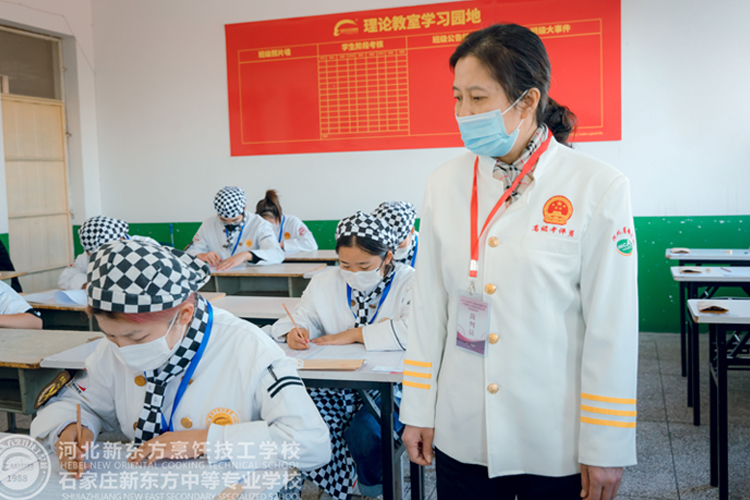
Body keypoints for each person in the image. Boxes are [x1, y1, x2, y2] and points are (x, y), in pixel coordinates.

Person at [400, 24, 638, 500]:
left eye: (478, 98)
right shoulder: (443, 183)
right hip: (463, 428)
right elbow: (428, 306)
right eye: (457, 98)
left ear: (527, 101)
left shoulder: (597, 186)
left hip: (553, 435)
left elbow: (611, 326)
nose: (463, 113)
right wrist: (418, 409)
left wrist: (606, 442)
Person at [31, 240, 330, 481]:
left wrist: (204, 441)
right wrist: (69, 428)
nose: (122, 350)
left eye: (137, 338)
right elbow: (80, 402)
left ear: (184, 315)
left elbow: (310, 443)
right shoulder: (114, 348)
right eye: (110, 336)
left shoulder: (249, 348)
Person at [271, 211, 414, 500]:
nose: (354, 273)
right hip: (335, 382)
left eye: (364, 265)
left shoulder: (410, 281)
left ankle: (374, 489)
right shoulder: (325, 281)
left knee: (366, 431)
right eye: (345, 265)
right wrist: (295, 331)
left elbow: (416, 329)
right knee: (300, 422)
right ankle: (339, 482)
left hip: (395, 386)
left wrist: (354, 334)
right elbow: (304, 315)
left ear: (387, 257)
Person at [187, 186, 283, 269]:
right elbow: (190, 251)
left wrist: (247, 255)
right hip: (217, 274)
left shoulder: (260, 224)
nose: (230, 224)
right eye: (224, 220)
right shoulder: (207, 225)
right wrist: (201, 255)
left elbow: (277, 254)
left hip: (251, 276)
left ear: (244, 209)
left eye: (235, 220)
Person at [59, 216, 160, 290]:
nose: (101, 258)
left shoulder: (147, 246)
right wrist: (90, 285)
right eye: (95, 255)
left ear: (122, 239)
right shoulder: (87, 256)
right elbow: (65, 277)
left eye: (106, 254)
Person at [256, 189, 318, 254]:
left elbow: (311, 245)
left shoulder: (293, 222)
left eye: (270, 223)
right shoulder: (257, 225)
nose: (267, 225)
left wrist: (282, 245)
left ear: (278, 216)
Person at [372, 201, 419, 268]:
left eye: (399, 244)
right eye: (386, 245)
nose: (393, 250)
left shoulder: (427, 250)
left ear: (412, 230)